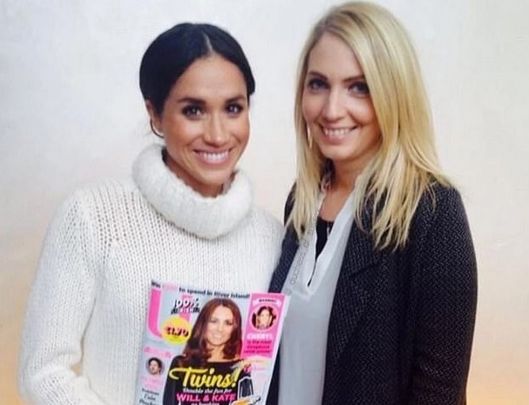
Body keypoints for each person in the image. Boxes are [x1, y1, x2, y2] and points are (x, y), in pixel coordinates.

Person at [18, 23, 283, 405]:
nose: (217, 134)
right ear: (155, 114)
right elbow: (42, 370)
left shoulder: (272, 237)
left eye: (233, 108)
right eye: (193, 110)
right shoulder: (93, 217)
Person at [268, 2, 477, 404]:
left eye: (358, 87)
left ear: (394, 94)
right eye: (318, 84)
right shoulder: (302, 200)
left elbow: (439, 391)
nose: (332, 110)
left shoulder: (433, 212)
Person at [163, 298, 253, 405]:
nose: (220, 329)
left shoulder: (240, 366)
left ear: (235, 328)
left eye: (228, 323)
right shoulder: (181, 363)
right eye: (214, 321)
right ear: (203, 324)